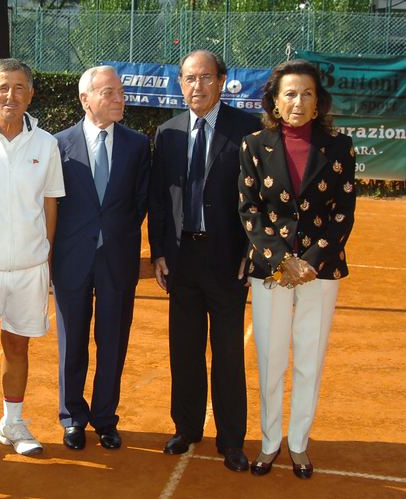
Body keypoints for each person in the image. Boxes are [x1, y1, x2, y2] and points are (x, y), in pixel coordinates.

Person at [238, 59, 356, 479]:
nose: (298, 101)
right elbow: (249, 209)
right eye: (289, 93)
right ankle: (270, 443)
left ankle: (299, 444)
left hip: (320, 270)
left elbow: (343, 213)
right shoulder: (254, 144)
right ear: (274, 99)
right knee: (271, 359)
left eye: (307, 93)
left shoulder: (339, 146)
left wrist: (309, 262)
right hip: (271, 269)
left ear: (318, 100)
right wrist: (281, 260)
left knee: (310, 357)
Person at [147, 49, 260, 472]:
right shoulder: (169, 132)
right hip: (181, 260)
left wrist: (251, 250)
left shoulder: (247, 130)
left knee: (228, 353)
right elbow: (159, 198)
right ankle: (187, 427)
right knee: (185, 349)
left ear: (222, 80)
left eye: (206, 78)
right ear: (181, 83)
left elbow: (259, 198)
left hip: (228, 260)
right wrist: (159, 251)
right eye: (189, 79)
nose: (197, 86)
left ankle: (232, 439)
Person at [0, 58, 65, 458]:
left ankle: (12, 422)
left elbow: (49, 204)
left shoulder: (47, 144)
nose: (11, 95)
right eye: (4, 87)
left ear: (31, 94)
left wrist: (46, 257)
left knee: (18, 346)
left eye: (20, 87)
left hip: (29, 269)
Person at [53, 65, 150, 451]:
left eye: (120, 92)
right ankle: (72, 418)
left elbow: (142, 201)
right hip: (71, 261)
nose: (118, 99)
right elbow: (52, 204)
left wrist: (118, 237)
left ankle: (105, 418)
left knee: (113, 342)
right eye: (108, 92)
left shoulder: (138, 145)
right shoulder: (58, 145)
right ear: (85, 99)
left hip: (117, 261)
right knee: (71, 343)